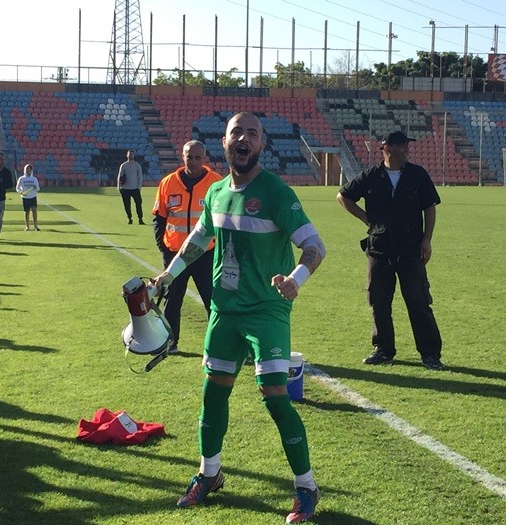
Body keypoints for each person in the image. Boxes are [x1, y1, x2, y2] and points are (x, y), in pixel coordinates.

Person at [152, 112, 326, 524]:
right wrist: (168, 275)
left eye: (252, 133)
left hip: (266, 310)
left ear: (261, 144)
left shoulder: (276, 193)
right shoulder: (215, 193)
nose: (243, 139)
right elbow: (198, 239)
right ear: (225, 143)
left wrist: (296, 279)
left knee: (275, 396)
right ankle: (209, 474)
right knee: (213, 393)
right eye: (236, 133)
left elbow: (315, 247)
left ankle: (306, 487)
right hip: (224, 311)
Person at [336, 131, 444, 370]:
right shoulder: (371, 176)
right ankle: (383, 350)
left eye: (407, 144)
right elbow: (343, 196)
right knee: (379, 301)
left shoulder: (417, 175)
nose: (406, 148)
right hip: (379, 247)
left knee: (418, 301)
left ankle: (430, 354)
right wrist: (366, 219)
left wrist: (427, 240)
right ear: (387, 148)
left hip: (410, 248)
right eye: (401, 145)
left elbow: (430, 207)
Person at [151, 140, 223, 354]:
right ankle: (170, 343)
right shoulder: (167, 183)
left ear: (204, 158)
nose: (192, 161)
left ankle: (220, 345)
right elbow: (159, 218)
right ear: (182, 156)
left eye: (197, 157)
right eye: (189, 157)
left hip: (205, 253)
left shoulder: (216, 183)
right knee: (172, 300)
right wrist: (164, 248)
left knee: (213, 301)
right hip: (175, 253)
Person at [117, 149, 145, 225]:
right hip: (125, 189)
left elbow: (140, 177)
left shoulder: (137, 165)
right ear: (127, 155)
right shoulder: (123, 165)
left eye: (132, 154)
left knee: (138, 204)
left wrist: (139, 187)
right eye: (129, 154)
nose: (131, 155)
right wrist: (119, 188)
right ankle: (130, 218)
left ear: (134, 155)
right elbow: (119, 176)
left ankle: (140, 219)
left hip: (135, 188)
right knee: (127, 205)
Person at [15, 164, 41, 231]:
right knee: (26, 212)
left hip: (33, 197)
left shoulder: (34, 179)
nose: (28, 171)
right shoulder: (21, 179)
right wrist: (20, 192)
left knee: (34, 211)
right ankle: (27, 226)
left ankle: (35, 226)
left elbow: (38, 189)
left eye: (29, 169)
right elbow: (17, 188)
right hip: (25, 198)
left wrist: (36, 187)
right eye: (27, 169)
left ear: (31, 170)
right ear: (24, 170)